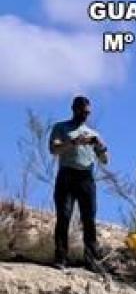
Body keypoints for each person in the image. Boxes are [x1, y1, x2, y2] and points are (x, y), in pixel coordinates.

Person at [47, 96, 109, 270]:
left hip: (86, 177)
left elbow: (105, 160)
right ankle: (61, 256)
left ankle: (91, 258)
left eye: (88, 112)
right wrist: (73, 142)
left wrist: (100, 145)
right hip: (67, 174)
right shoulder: (61, 127)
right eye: (82, 111)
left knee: (89, 218)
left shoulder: (93, 133)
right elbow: (53, 149)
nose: (85, 115)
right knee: (64, 215)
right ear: (74, 109)